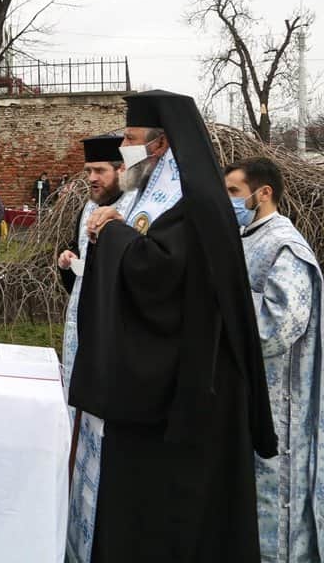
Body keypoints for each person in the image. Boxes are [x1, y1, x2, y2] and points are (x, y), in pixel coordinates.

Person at [68, 90, 276, 562]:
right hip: (158, 378)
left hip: (190, 383)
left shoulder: (191, 197)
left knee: (176, 514)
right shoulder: (153, 190)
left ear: (159, 145)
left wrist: (114, 232)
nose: (124, 148)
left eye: (131, 138)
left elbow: (163, 276)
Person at [224, 157, 324, 562]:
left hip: (280, 401)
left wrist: (223, 305)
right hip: (250, 393)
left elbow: (279, 326)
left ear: (262, 193)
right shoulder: (246, 237)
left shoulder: (285, 245)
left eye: (234, 191)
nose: (228, 200)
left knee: (274, 503)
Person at [54, 134, 136, 563]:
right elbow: (76, 268)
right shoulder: (87, 208)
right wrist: (67, 262)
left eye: (98, 171)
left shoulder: (132, 213)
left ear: (121, 171)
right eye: (88, 172)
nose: (91, 179)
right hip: (78, 326)